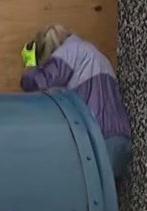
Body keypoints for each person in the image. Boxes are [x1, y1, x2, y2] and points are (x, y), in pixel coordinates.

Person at [20, 24, 133, 179]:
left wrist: (30, 65)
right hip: (120, 139)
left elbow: (39, 84)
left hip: (97, 139)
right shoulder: (94, 53)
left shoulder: (67, 54)